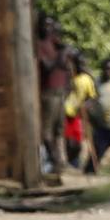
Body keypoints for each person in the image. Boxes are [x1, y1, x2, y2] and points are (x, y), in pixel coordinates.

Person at [35, 15, 69, 175]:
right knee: (46, 132)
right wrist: (60, 54)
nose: (47, 28)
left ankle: (61, 163)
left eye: (50, 25)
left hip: (60, 92)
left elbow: (65, 68)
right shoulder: (40, 45)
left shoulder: (55, 43)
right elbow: (48, 67)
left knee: (59, 130)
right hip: (48, 93)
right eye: (45, 25)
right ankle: (54, 159)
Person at [63, 50, 97, 170]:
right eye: (78, 63)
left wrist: (86, 105)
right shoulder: (68, 77)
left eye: (83, 63)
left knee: (76, 143)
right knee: (67, 142)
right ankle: (70, 164)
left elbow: (92, 98)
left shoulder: (86, 79)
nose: (81, 66)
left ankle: (75, 164)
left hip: (77, 114)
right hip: (65, 113)